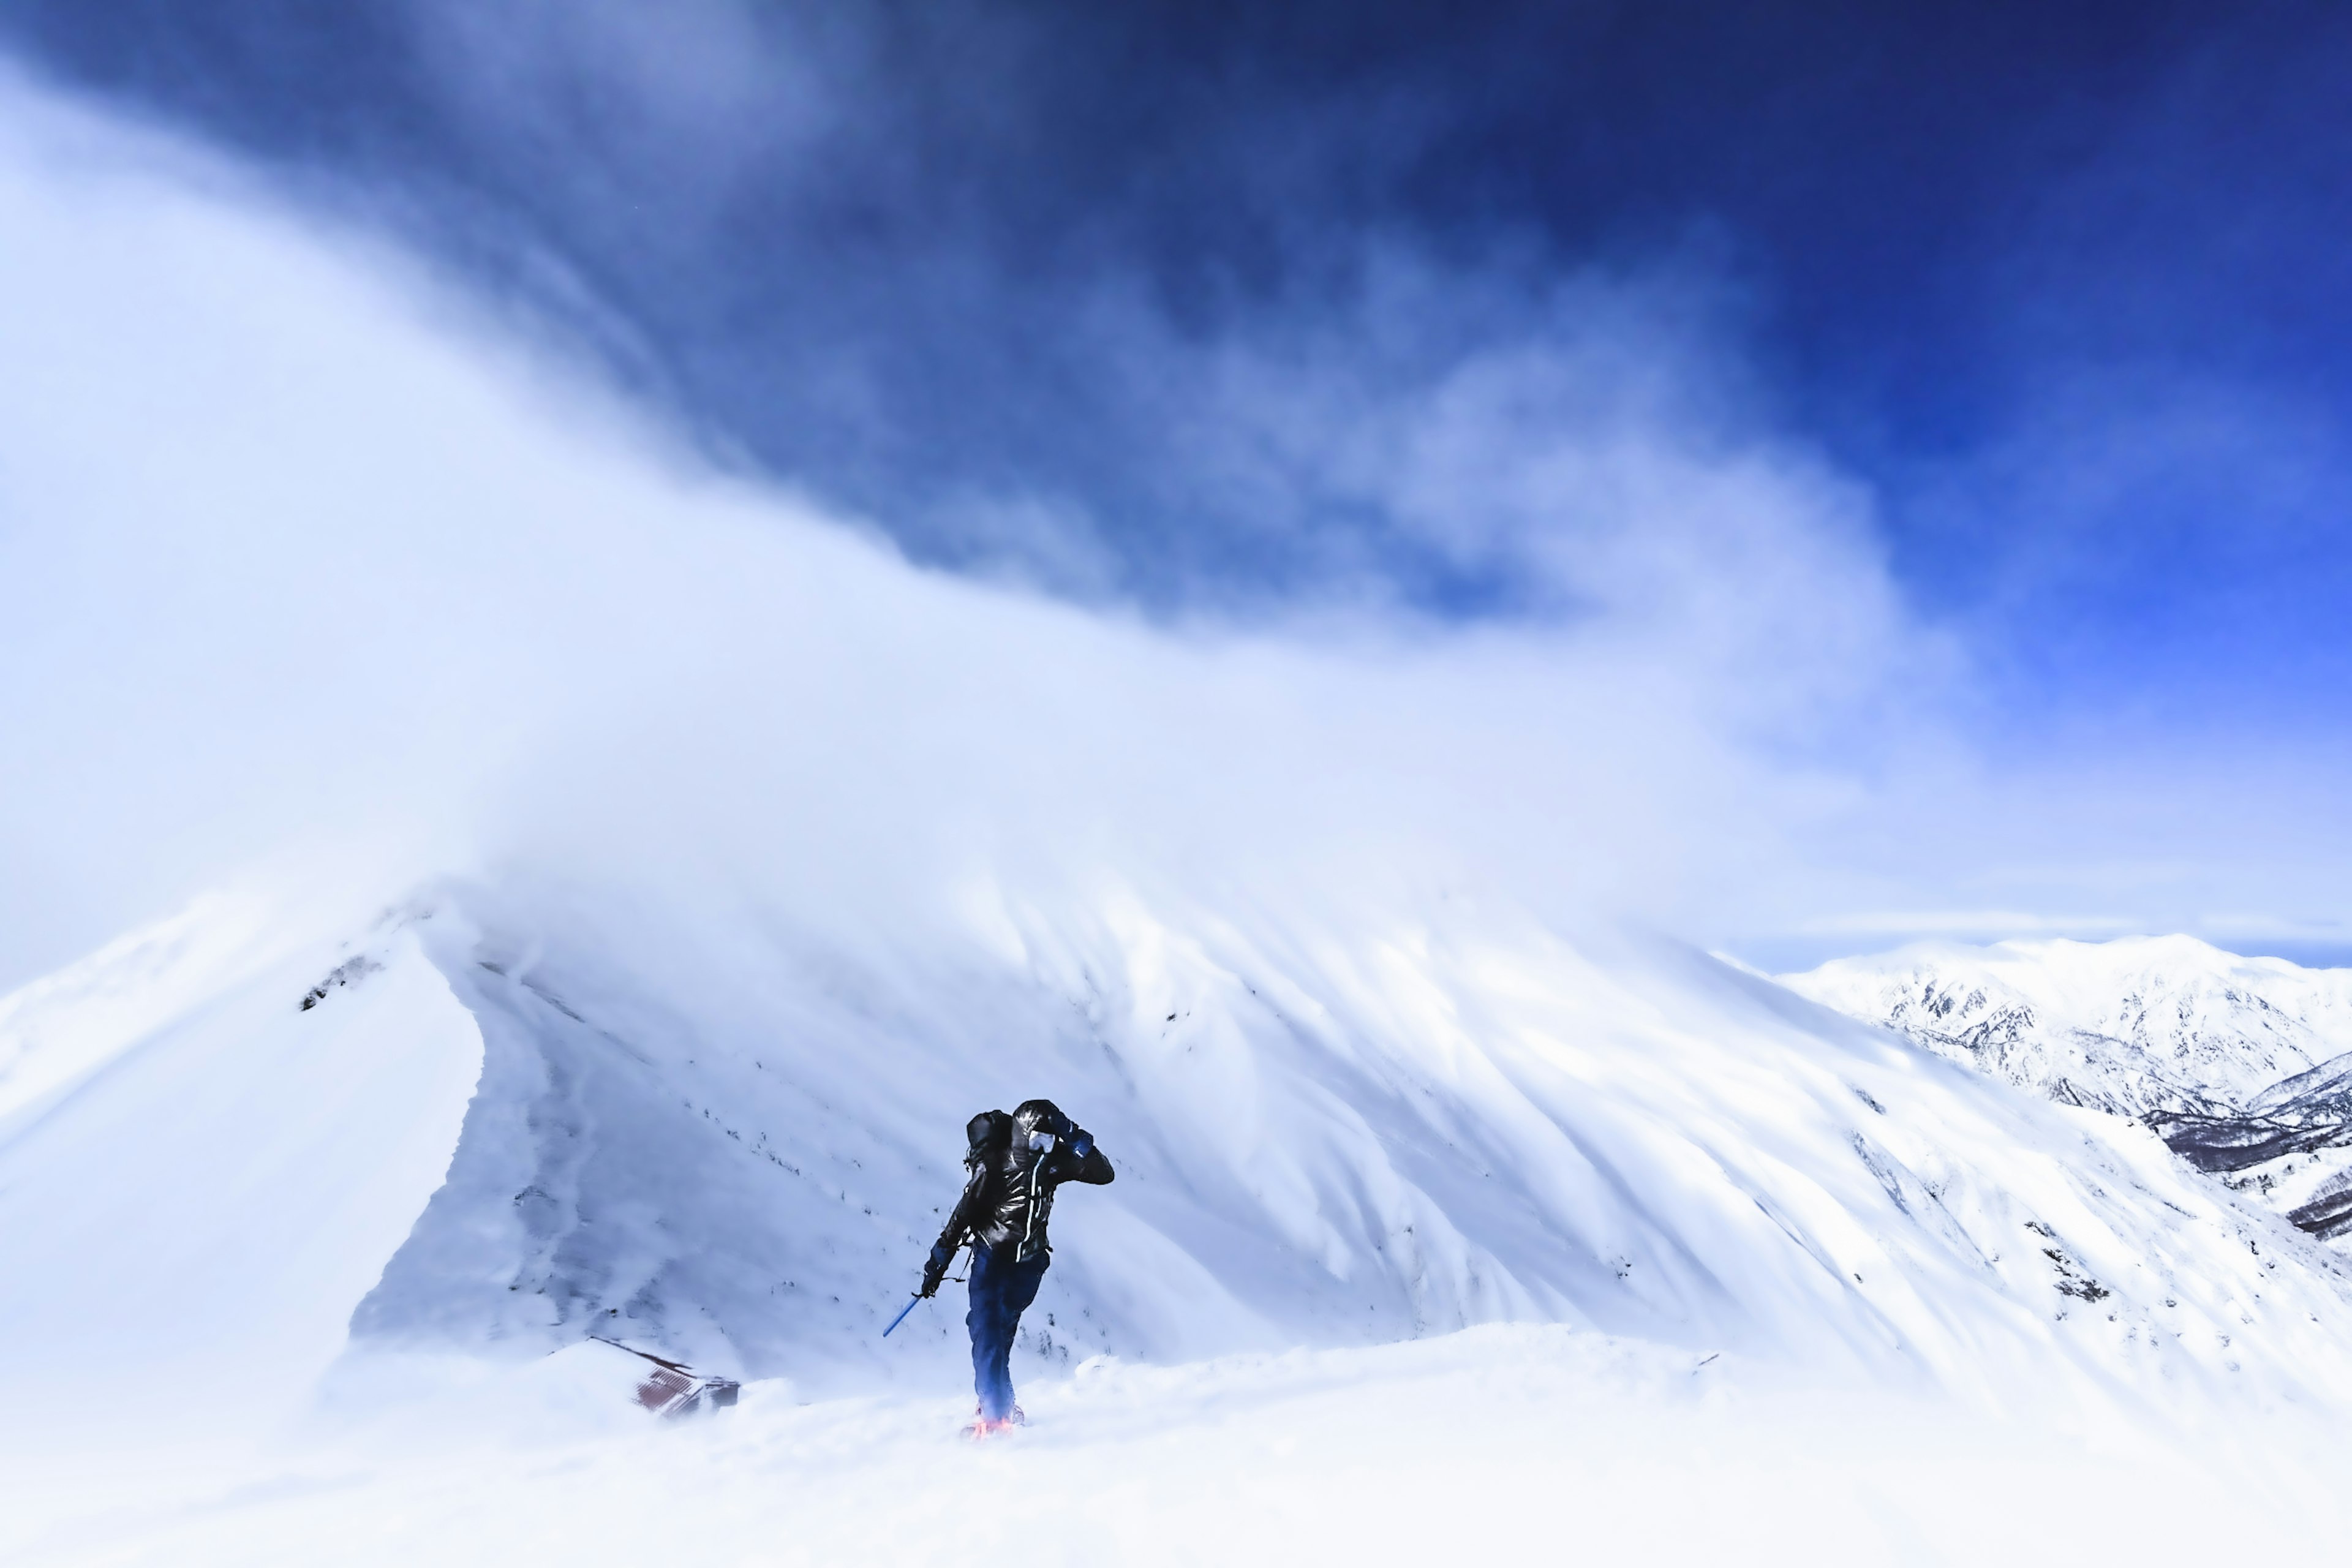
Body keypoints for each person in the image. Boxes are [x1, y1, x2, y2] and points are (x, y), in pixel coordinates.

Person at [919, 1098, 1114, 1435]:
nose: (1044, 1148)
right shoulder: (995, 1166)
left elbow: (1103, 1174)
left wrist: (1074, 1135)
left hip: (1029, 1266)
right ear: (1022, 1136)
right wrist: (938, 1262)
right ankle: (994, 1414)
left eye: (1050, 1141)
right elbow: (962, 1215)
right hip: (992, 1259)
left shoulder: (1052, 1164)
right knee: (985, 1330)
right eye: (1037, 1140)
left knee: (1001, 1331)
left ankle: (998, 1406)